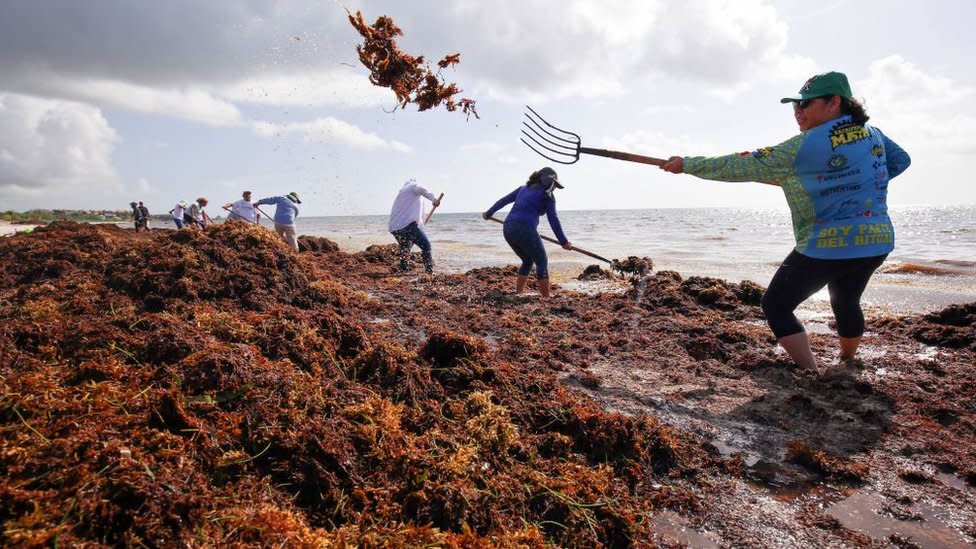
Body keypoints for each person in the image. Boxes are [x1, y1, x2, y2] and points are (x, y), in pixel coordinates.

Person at [658, 71, 911, 370]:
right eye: (794, 106)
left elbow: (740, 165)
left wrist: (686, 165)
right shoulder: (874, 135)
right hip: (876, 241)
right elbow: (900, 160)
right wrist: (853, 182)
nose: (797, 112)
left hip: (828, 244)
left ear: (834, 102)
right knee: (845, 299)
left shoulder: (802, 146)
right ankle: (848, 361)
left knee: (776, 304)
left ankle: (810, 371)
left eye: (805, 104)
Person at [483, 167, 573, 298]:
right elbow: (553, 219)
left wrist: (488, 213)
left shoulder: (522, 189)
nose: (554, 189)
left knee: (527, 260)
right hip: (525, 228)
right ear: (547, 181)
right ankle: (546, 297)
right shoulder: (547, 196)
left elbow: (503, 201)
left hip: (508, 228)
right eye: (554, 185)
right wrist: (564, 242)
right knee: (542, 260)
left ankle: (519, 293)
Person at [387, 178, 442, 274]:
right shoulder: (412, 187)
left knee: (406, 246)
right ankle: (429, 273)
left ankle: (403, 269)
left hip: (395, 228)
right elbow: (421, 189)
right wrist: (434, 199)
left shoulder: (403, 194)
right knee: (426, 246)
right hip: (407, 226)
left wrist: (421, 226)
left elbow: (418, 216)